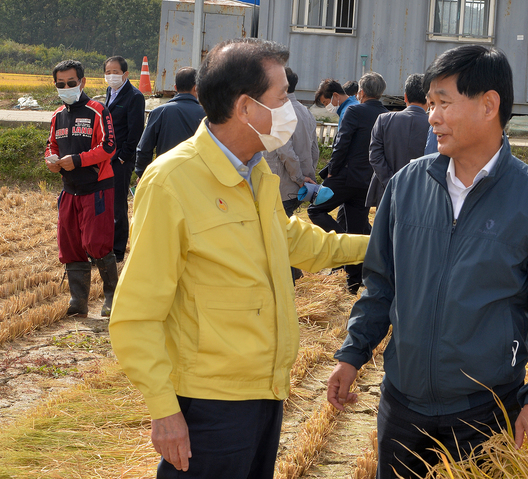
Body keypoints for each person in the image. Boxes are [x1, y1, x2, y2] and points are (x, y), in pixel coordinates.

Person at [109, 38, 369, 479]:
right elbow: (136, 312)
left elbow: (301, 243)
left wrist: (383, 243)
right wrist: (163, 410)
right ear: (246, 108)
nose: (292, 109)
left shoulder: (256, 170)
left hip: (264, 392)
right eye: (283, 97)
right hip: (209, 403)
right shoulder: (172, 181)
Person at [327, 45, 528, 478]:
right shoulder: (406, 186)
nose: (432, 117)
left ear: (489, 105)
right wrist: (352, 355)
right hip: (402, 407)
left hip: (485, 412)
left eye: (444, 103)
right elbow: (380, 285)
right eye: (430, 104)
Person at [45, 59, 118, 318]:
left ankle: (111, 298)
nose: (66, 87)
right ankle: (78, 301)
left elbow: (109, 147)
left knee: (96, 244)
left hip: (96, 187)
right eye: (60, 84)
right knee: (70, 245)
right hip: (69, 189)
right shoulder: (57, 115)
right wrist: (51, 160)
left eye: (71, 83)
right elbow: (51, 144)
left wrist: (77, 161)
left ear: (82, 82)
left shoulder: (98, 110)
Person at [307, 72, 388, 294]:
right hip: (368, 181)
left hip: (346, 176)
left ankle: (340, 244)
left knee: (315, 209)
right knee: (357, 229)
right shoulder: (387, 114)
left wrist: (332, 171)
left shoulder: (354, 110)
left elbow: (341, 144)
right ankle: (354, 283)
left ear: (361, 92)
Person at [365, 73, 429, 208]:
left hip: (386, 192)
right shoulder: (434, 126)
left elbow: (375, 156)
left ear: (405, 96)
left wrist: (391, 182)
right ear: (429, 99)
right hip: (421, 194)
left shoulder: (384, 120)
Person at [104, 55, 145, 262]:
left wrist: (122, 157)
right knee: (105, 203)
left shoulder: (134, 96)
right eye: (108, 72)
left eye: (115, 72)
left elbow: (136, 130)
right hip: (105, 159)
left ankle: (118, 251)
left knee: (118, 205)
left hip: (120, 160)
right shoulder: (109, 92)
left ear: (125, 74)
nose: (111, 76)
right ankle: (105, 245)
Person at [264, 66, 319, 218]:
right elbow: (315, 151)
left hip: (282, 189)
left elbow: (285, 152)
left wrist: (300, 178)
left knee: (275, 235)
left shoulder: (279, 112)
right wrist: (306, 177)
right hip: (300, 188)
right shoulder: (306, 112)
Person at [135, 67, 205, 180]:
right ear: (196, 88)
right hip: (195, 177)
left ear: (175, 88)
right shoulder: (206, 115)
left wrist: (142, 173)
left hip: (165, 175)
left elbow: (144, 148)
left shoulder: (159, 112)